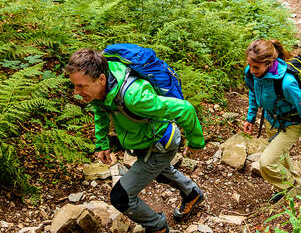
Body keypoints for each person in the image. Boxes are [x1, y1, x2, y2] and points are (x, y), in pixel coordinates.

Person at [65, 48, 206, 233]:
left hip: (161, 144)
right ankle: (192, 193)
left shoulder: (134, 97)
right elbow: (100, 108)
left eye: (81, 86)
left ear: (100, 78)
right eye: (75, 86)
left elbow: (185, 109)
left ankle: (157, 227)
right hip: (146, 142)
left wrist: (196, 142)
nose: (76, 92)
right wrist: (102, 143)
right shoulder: (103, 86)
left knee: (120, 197)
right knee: (161, 172)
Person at [243, 39, 301, 202]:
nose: (252, 70)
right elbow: (253, 92)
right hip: (271, 120)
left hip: (291, 124)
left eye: (256, 67)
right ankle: (289, 184)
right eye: (250, 65)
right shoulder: (252, 72)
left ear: (269, 63)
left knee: (266, 163)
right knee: (280, 156)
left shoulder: (287, 83)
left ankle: (292, 187)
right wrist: (251, 117)